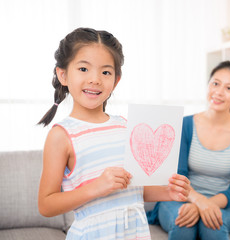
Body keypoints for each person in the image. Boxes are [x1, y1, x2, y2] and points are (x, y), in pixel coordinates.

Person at [37, 27, 190, 240]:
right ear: (62, 74)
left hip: (135, 233)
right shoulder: (62, 135)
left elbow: (133, 189)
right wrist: (96, 187)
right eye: (83, 69)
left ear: (116, 80)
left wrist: (167, 192)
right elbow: (46, 204)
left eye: (105, 72)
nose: (95, 79)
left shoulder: (126, 127)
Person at [147, 61, 230, 240]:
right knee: (183, 224)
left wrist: (205, 205)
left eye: (229, 88)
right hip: (180, 199)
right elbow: (178, 177)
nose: (219, 92)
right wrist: (198, 201)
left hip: (225, 205)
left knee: (212, 224)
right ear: (208, 86)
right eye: (215, 83)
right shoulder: (185, 125)